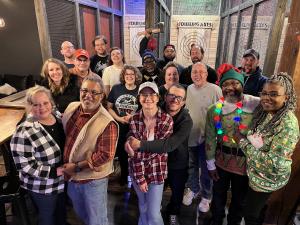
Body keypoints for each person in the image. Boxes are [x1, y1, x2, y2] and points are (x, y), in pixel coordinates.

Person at [234, 72, 299, 225]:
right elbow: (244, 100)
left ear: (286, 97)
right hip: (253, 172)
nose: (266, 98)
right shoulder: (265, 112)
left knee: (251, 214)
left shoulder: (288, 125)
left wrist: (242, 142)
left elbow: (273, 162)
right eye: (264, 93)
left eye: (274, 94)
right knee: (254, 209)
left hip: (265, 179)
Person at [126, 84, 193, 225]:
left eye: (179, 97)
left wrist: (139, 145)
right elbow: (133, 130)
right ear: (165, 97)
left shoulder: (185, 120)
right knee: (147, 206)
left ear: (184, 101)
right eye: (172, 96)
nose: (175, 99)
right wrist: (129, 141)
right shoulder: (152, 106)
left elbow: (169, 145)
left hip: (173, 162)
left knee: (175, 195)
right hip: (149, 164)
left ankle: (172, 215)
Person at [205, 64, 260, 225]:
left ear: (242, 85)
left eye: (234, 83)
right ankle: (216, 220)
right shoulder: (214, 110)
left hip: (245, 164)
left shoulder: (256, 105)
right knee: (218, 195)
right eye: (225, 84)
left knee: (239, 199)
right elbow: (210, 137)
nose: (230, 87)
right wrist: (210, 164)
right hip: (221, 162)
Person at [62, 74, 119, 225]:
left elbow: (105, 155)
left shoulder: (107, 122)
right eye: (85, 91)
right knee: (82, 213)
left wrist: (76, 167)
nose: (88, 95)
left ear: (102, 96)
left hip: (92, 181)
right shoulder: (71, 108)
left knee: (97, 220)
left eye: (94, 93)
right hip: (71, 177)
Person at [10, 86, 65, 225]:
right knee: (47, 218)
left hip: (63, 181)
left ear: (51, 103)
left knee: (60, 214)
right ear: (29, 106)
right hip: (43, 186)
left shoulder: (57, 115)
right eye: (36, 104)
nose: (42, 108)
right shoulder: (24, 131)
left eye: (45, 103)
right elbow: (25, 166)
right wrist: (56, 171)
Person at [127, 82, 173, 225]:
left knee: (153, 213)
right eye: (144, 95)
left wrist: (136, 149)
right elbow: (135, 149)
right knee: (143, 206)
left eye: (152, 94)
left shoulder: (166, 120)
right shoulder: (134, 119)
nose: (148, 98)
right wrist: (140, 177)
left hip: (156, 171)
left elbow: (159, 149)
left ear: (158, 98)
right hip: (136, 172)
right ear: (139, 98)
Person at [183, 62, 222, 213]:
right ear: (191, 74)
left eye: (201, 72)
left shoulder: (215, 90)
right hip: (190, 136)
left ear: (206, 74)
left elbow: (220, 114)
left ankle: (206, 196)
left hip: (208, 140)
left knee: (206, 170)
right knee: (191, 167)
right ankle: (193, 189)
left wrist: (218, 136)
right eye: (194, 72)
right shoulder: (189, 89)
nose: (197, 75)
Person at [107, 65, 141, 185]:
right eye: (127, 74)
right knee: (122, 152)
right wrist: (118, 118)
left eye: (132, 74)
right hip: (119, 126)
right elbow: (109, 107)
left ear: (136, 76)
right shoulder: (116, 89)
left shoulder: (140, 89)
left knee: (135, 152)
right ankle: (124, 175)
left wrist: (133, 117)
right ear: (123, 76)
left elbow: (145, 109)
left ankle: (137, 176)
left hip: (136, 127)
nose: (130, 76)